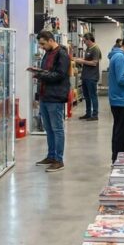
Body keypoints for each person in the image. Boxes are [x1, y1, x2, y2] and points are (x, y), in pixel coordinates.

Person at [30, 31, 71, 172]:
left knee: (57, 129)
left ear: (50, 40)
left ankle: (59, 160)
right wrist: (39, 72)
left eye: (43, 43)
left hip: (55, 96)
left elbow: (60, 75)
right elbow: (47, 71)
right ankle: (51, 155)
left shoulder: (62, 55)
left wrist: (41, 75)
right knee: (49, 129)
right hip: (45, 95)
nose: (41, 47)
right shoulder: (47, 53)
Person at [73, 33, 102, 121]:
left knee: (93, 96)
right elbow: (87, 60)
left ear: (89, 40)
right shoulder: (88, 48)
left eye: (84, 41)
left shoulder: (95, 49)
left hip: (92, 77)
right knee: (86, 96)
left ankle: (95, 115)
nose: (84, 42)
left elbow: (94, 63)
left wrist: (82, 61)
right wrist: (78, 59)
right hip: (86, 76)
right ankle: (88, 113)